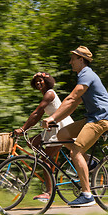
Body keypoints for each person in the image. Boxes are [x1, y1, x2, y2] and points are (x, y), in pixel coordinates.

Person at [42, 46, 108, 207]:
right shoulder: (84, 76)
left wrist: (52, 117)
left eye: (73, 59)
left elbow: (71, 98)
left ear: (81, 60)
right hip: (92, 118)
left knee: (75, 151)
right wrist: (54, 120)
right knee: (62, 135)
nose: (70, 62)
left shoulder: (87, 74)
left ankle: (87, 194)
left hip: (101, 119)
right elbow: (74, 104)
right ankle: (88, 162)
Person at [14, 72, 73, 202]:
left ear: (47, 81)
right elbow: (38, 116)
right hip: (53, 129)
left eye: (40, 80)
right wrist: (26, 129)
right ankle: (53, 164)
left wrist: (23, 128)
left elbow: (37, 112)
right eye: (36, 82)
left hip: (61, 128)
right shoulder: (45, 94)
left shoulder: (50, 93)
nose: (38, 83)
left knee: (44, 160)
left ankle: (48, 193)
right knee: (32, 143)